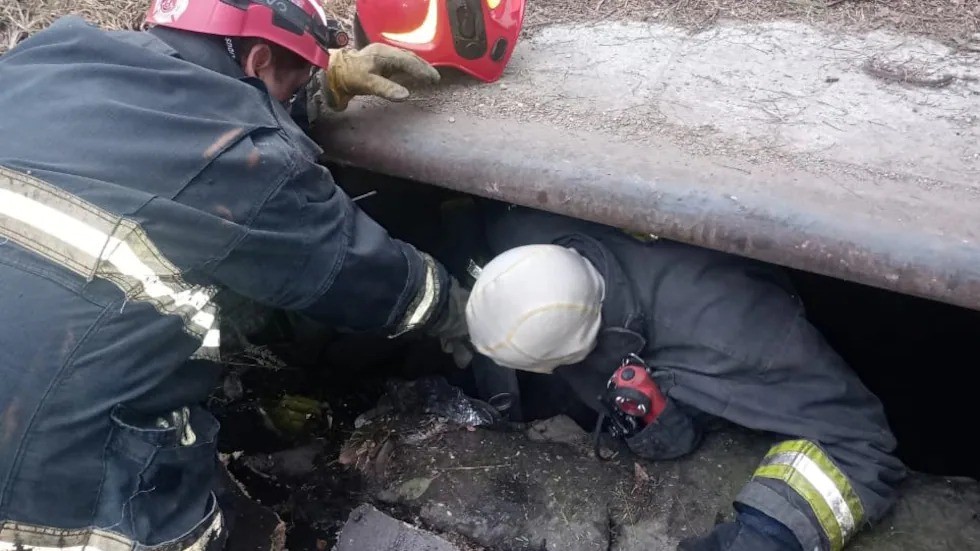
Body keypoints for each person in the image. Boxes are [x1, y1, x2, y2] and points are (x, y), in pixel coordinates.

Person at [0, 0, 470, 548]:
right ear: (260, 58)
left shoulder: (41, 61)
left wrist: (319, 90)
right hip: (55, 511)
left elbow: (194, 107)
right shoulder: (251, 167)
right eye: (299, 81)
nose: (298, 96)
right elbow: (361, 275)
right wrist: (459, 311)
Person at [445, 198, 907, 551]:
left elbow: (861, 444)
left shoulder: (738, 336)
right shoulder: (516, 224)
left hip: (729, 320)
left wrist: (766, 535)